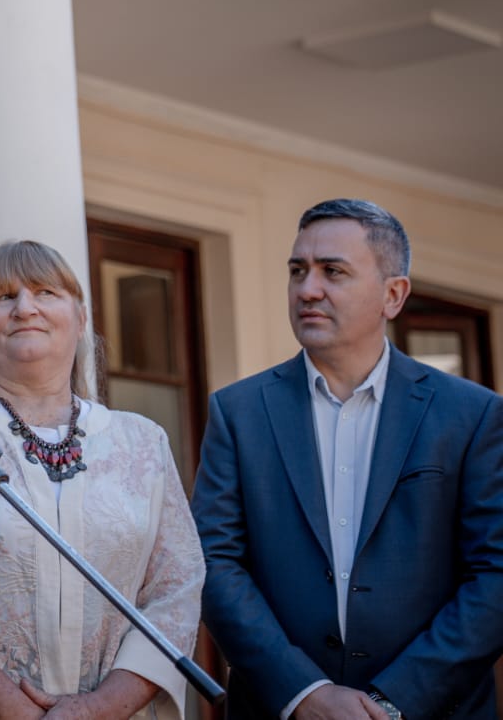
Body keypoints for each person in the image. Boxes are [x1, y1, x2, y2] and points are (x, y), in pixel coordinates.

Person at [0, 240, 203, 720]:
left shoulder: (142, 441)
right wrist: (24, 715)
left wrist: (98, 710)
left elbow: (177, 589)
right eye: (3, 298)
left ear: (81, 318)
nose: (25, 308)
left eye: (45, 292)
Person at [193, 199, 503, 720]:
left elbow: (496, 573)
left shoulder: (472, 415)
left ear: (393, 295)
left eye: (333, 271)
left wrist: (391, 701)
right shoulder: (238, 412)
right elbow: (214, 562)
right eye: (298, 271)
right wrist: (302, 692)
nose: (308, 289)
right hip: (278, 709)